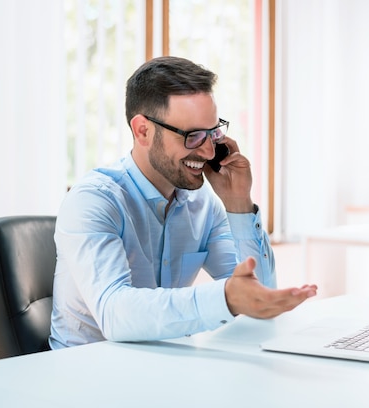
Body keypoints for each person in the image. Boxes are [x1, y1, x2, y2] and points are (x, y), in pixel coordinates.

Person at [49, 56, 317, 349]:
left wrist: (238, 204)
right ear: (143, 131)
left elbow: (259, 299)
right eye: (192, 136)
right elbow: (114, 313)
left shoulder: (203, 204)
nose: (206, 151)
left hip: (164, 368)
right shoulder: (94, 200)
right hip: (85, 374)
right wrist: (225, 298)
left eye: (213, 132)